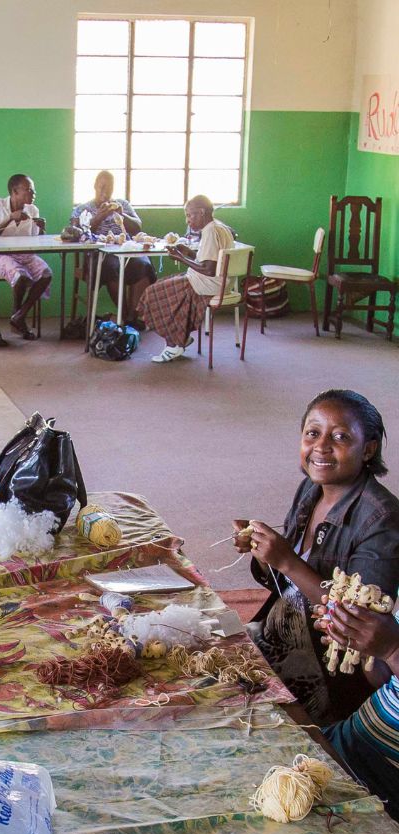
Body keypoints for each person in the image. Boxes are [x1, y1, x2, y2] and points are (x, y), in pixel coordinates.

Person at [233, 389, 399, 727]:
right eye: (313, 433)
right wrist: (264, 553)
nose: (321, 446)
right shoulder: (311, 489)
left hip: (328, 676)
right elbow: (285, 586)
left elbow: (357, 628)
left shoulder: (382, 521)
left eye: (340, 436)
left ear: (368, 449)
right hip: (281, 631)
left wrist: (286, 560)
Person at [316, 603, 399, 815]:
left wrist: (393, 650)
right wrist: (362, 645)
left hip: (384, 777)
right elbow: (384, 679)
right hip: (352, 736)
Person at [137, 195, 233, 363]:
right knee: (162, 286)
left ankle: (174, 344)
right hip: (217, 281)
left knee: (153, 293)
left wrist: (181, 258)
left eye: (190, 215)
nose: (188, 220)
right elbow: (210, 260)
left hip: (207, 283)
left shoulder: (210, 231)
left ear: (202, 212)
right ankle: (180, 337)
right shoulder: (220, 227)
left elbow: (209, 269)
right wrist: (189, 253)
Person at [70, 170, 156, 321]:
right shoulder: (82, 208)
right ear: (95, 186)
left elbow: (137, 227)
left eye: (109, 188)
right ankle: (124, 313)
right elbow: (76, 232)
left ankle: (131, 317)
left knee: (144, 265)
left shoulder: (122, 204)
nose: (105, 192)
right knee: (111, 266)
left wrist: (122, 215)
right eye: (102, 187)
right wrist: (99, 217)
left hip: (126, 251)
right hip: (99, 255)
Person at [0, 174, 52, 340]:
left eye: (33, 190)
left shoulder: (33, 210)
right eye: (29, 190)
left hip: (25, 254)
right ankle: (18, 317)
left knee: (46, 274)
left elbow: (36, 240)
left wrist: (42, 229)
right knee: (20, 276)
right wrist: (9, 218)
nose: (33, 193)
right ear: (14, 191)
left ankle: (19, 315)